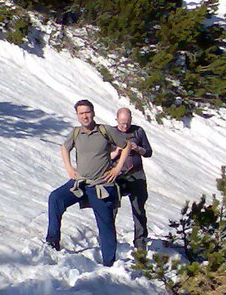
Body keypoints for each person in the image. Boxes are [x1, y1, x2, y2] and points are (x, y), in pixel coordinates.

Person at [46, 99, 131, 266]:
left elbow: (127, 145)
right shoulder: (76, 133)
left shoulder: (104, 130)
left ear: (93, 113)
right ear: (77, 115)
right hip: (81, 183)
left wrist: (117, 168)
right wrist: (69, 167)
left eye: (87, 112)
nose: (85, 116)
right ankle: (52, 242)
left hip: (101, 185)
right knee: (56, 198)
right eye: (81, 113)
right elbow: (64, 147)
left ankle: (109, 263)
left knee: (105, 225)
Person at [113, 107, 153, 252]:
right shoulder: (110, 133)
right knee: (112, 208)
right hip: (117, 175)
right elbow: (104, 155)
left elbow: (148, 152)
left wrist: (138, 149)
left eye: (128, 123)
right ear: (116, 119)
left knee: (139, 209)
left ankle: (140, 242)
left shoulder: (138, 131)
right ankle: (110, 241)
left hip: (136, 174)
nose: (125, 127)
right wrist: (116, 151)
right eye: (122, 123)